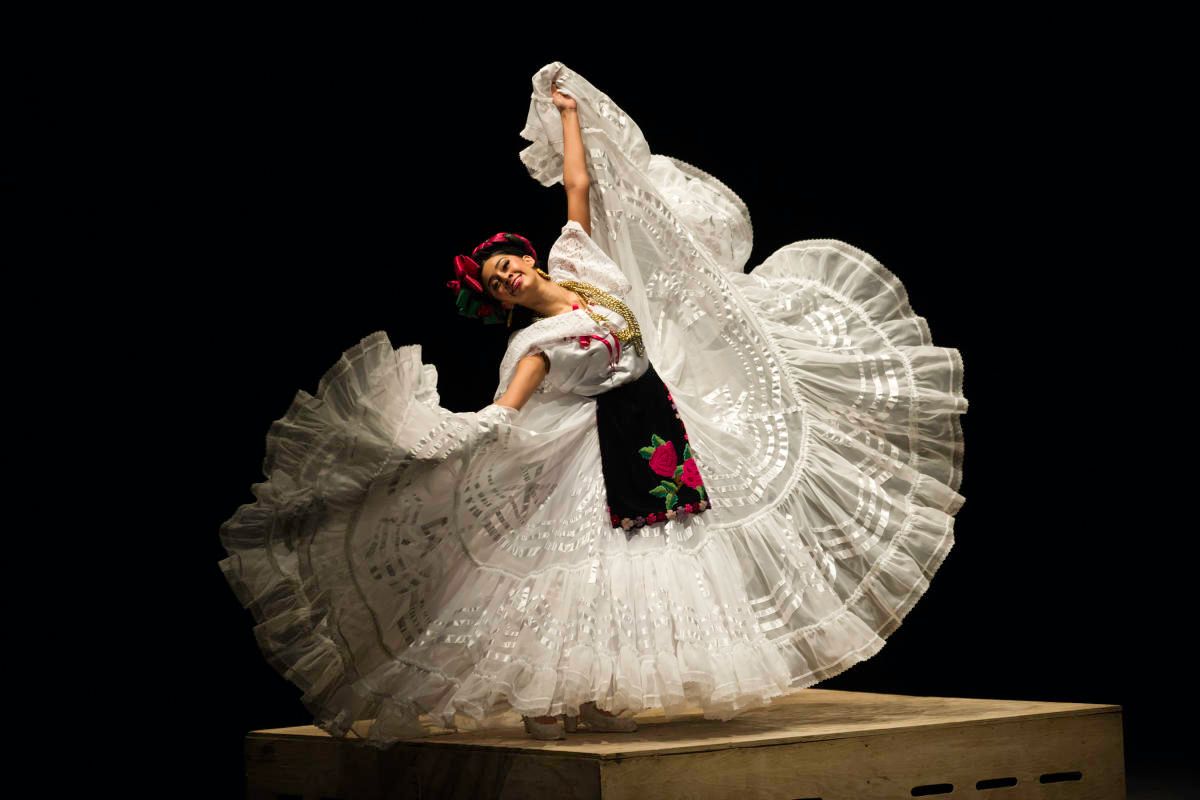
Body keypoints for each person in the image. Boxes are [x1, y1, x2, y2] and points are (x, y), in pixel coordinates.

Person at [218, 62, 968, 748]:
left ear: (526, 255)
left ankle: (597, 692)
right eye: (495, 280)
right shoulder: (535, 345)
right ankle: (560, 696)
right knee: (585, 565)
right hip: (588, 450)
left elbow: (577, 184)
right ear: (497, 301)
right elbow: (506, 412)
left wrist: (569, 112)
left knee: (656, 554)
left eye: (506, 262)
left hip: (652, 421)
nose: (507, 274)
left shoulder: (580, 260)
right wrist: (439, 436)